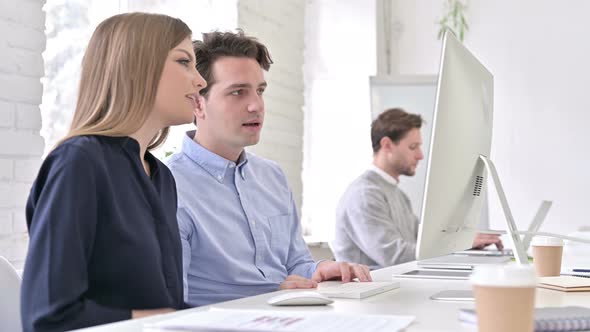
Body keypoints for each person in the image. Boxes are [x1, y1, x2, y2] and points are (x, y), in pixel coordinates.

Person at [21, 13, 206, 331]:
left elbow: (162, 305)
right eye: (183, 62)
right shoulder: (79, 163)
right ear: (137, 67)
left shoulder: (161, 177)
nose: (200, 81)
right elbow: (48, 317)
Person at [166, 30, 371, 307]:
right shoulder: (169, 186)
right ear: (198, 103)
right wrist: (271, 294)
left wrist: (318, 272)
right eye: (238, 92)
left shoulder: (271, 176)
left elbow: (294, 263)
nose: (256, 106)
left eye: (260, 91)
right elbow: (173, 301)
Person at [332, 108, 503, 270]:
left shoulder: (397, 194)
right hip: (371, 295)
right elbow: (394, 256)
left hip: (394, 288)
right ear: (387, 145)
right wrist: (457, 244)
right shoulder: (364, 194)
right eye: (413, 147)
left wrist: (463, 240)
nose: (420, 155)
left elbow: (421, 243)